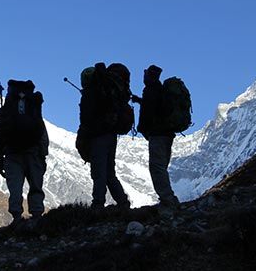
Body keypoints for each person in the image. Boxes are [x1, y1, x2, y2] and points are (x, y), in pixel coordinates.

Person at [0, 80, 49, 226]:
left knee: (15, 188)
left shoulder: (5, 112)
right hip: (33, 152)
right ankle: (37, 216)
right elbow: (42, 133)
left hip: (12, 153)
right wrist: (42, 155)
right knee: (36, 186)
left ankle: (16, 217)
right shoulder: (34, 109)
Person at [77, 63, 131, 209]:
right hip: (111, 134)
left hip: (97, 135)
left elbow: (87, 119)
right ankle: (123, 202)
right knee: (109, 172)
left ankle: (98, 203)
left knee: (98, 172)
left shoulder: (91, 93)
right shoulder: (107, 90)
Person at [131, 65, 180, 208]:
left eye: (145, 74)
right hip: (167, 134)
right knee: (161, 166)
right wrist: (140, 100)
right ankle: (168, 198)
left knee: (156, 166)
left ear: (149, 76)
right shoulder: (160, 90)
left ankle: (167, 200)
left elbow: (150, 111)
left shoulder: (151, 90)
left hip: (157, 135)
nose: (144, 77)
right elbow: (155, 107)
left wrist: (143, 128)